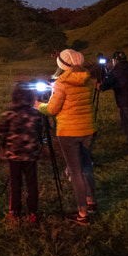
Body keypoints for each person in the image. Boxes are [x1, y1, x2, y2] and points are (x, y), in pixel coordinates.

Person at [39, 49, 97, 225]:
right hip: (88, 129)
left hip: (68, 133)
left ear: (62, 65)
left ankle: (82, 214)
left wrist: (39, 105)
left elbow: (52, 109)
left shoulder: (62, 84)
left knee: (75, 172)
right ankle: (91, 201)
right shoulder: (87, 80)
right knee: (87, 166)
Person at [0, 82, 45, 225]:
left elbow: (2, 133)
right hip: (30, 154)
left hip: (14, 155)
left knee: (15, 183)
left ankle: (14, 212)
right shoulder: (35, 114)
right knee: (32, 183)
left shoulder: (9, 114)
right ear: (31, 96)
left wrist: (4, 145)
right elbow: (39, 133)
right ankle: (32, 213)